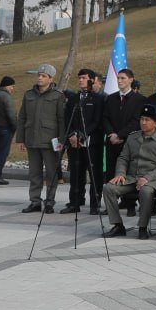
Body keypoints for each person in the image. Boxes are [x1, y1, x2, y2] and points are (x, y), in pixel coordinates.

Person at [102, 103, 156, 239]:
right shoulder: (132, 137)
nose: (143, 122)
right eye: (142, 119)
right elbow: (123, 158)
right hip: (131, 177)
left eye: (147, 120)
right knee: (108, 188)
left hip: (152, 179)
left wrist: (147, 178)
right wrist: (120, 174)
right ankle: (118, 225)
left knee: (146, 191)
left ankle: (142, 227)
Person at [16, 64, 64, 213]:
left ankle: (49, 202)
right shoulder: (29, 95)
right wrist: (20, 139)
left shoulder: (58, 96)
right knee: (34, 173)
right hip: (32, 139)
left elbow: (61, 120)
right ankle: (35, 201)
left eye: (43, 76)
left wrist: (62, 140)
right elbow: (22, 117)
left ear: (50, 79)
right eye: (39, 75)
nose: (40, 78)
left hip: (50, 141)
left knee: (51, 173)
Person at [63, 68, 104, 214]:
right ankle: (74, 202)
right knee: (76, 174)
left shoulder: (98, 99)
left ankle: (95, 204)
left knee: (94, 174)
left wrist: (81, 134)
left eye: (84, 78)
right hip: (75, 143)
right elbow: (67, 119)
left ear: (91, 80)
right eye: (79, 78)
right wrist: (72, 135)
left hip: (92, 143)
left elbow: (97, 121)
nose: (81, 80)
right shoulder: (74, 98)